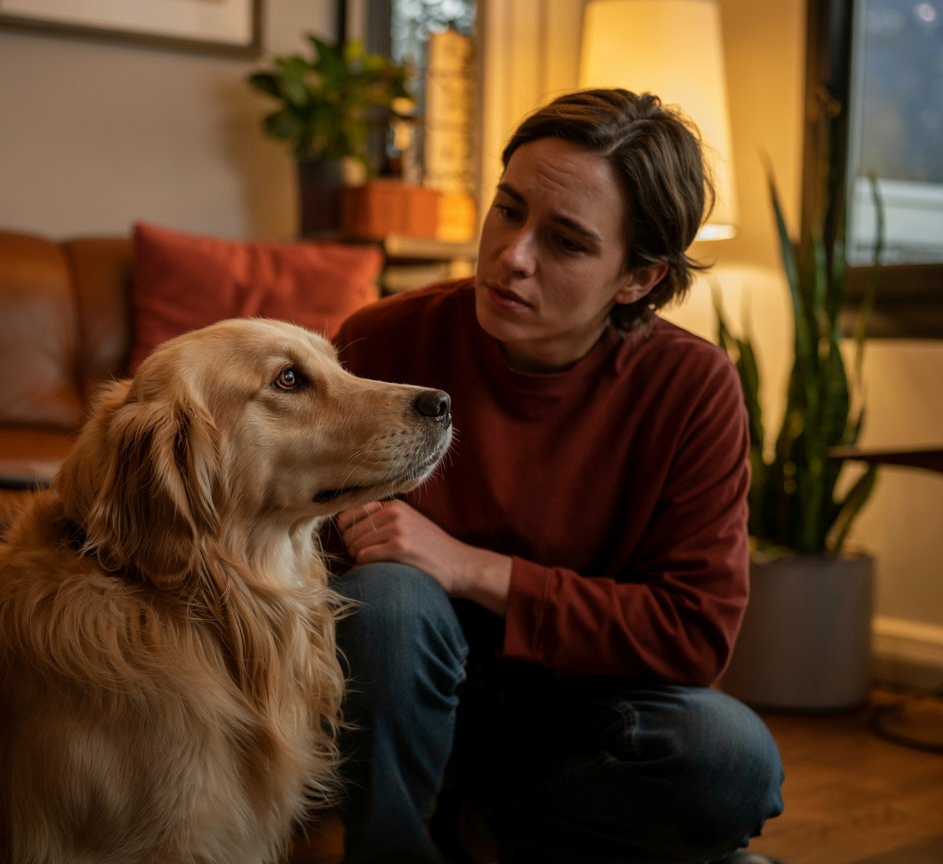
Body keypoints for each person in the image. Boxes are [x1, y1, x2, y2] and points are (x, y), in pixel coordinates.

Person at [328, 88, 786, 864]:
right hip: (404, 702)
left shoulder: (693, 387)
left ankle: (483, 833)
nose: (513, 256)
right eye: (508, 210)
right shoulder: (383, 341)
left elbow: (694, 633)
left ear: (638, 279)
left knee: (731, 758)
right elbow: (301, 559)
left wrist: (471, 567)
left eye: (566, 243)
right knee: (388, 602)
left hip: (584, 716)